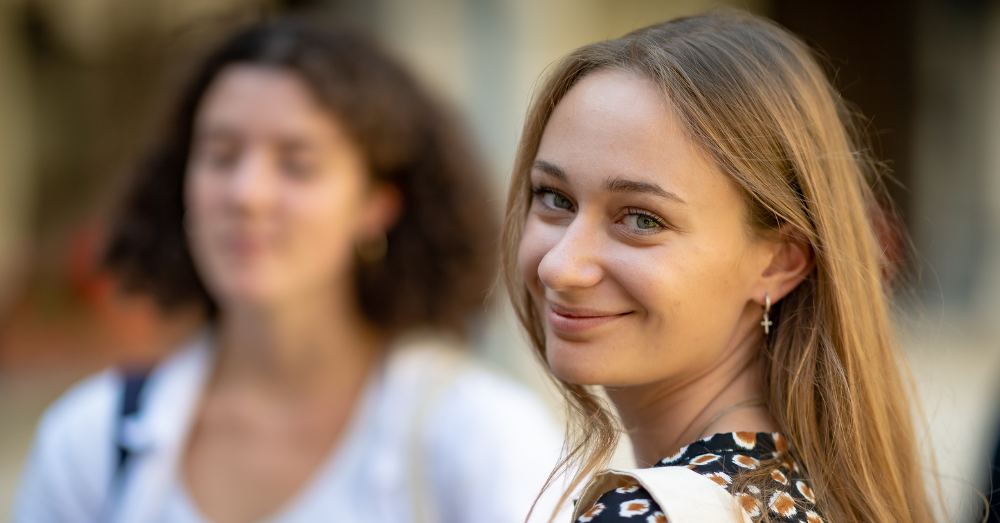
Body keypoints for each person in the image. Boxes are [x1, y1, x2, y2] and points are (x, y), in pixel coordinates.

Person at [14, 18, 562, 523]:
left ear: (378, 203)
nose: (246, 194)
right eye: (221, 155)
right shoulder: (91, 442)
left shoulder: (477, 439)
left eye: (297, 164)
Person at [500, 10, 935, 523]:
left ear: (779, 262)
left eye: (641, 219)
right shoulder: (803, 492)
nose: (560, 267)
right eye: (554, 197)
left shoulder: (646, 515)